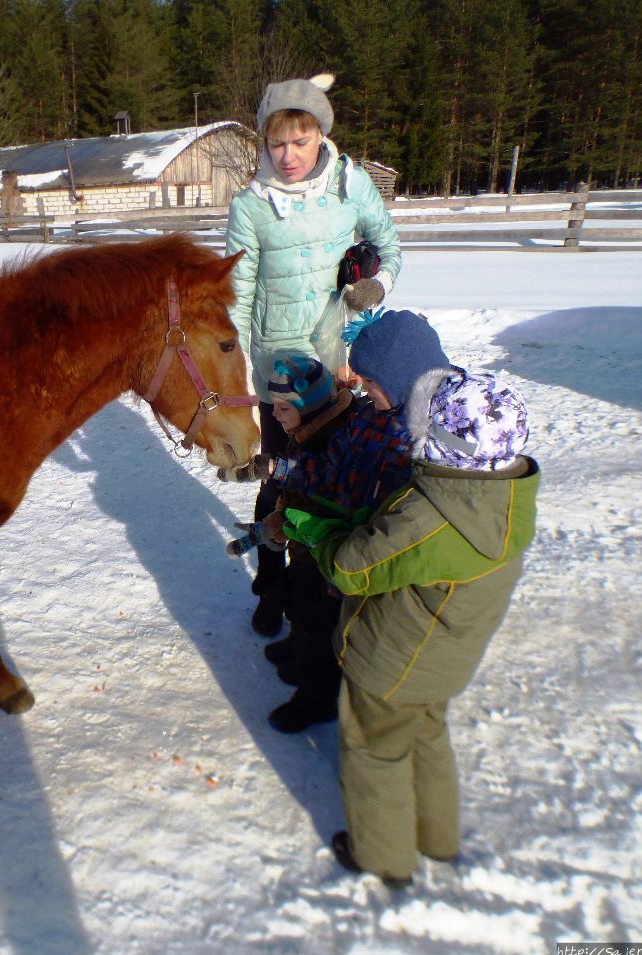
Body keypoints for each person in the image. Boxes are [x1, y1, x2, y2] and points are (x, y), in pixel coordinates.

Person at [284, 309, 540, 886]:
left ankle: (384, 856)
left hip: (394, 661)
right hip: (447, 659)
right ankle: (438, 836)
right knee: (427, 734)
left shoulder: (430, 516)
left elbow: (354, 567)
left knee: (375, 749)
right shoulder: (501, 503)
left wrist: (315, 531)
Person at [225, 73, 402, 639]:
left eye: (300, 142)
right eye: (277, 144)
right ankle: (271, 585)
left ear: (320, 135)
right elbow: (237, 292)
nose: (289, 155)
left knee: (333, 483)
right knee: (279, 481)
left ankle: (318, 591)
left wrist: (377, 284)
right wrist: (238, 372)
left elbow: (388, 246)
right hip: (278, 366)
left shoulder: (351, 185)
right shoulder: (251, 206)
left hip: (339, 361)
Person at [245, 355, 411, 733]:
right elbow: (325, 473)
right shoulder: (340, 424)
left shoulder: (361, 433)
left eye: (283, 407)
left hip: (334, 542)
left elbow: (341, 484)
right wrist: (274, 470)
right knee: (300, 602)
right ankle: (298, 648)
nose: (274, 414)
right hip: (310, 541)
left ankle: (316, 698)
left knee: (318, 623)